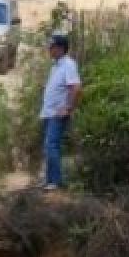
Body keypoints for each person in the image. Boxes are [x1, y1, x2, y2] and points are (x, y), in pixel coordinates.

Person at [40, 34, 82, 190]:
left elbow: (76, 88)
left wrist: (68, 108)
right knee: (49, 146)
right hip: (49, 112)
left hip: (57, 114)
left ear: (60, 48)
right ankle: (49, 180)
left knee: (52, 145)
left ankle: (55, 182)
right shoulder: (56, 65)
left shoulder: (69, 65)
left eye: (52, 47)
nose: (49, 49)